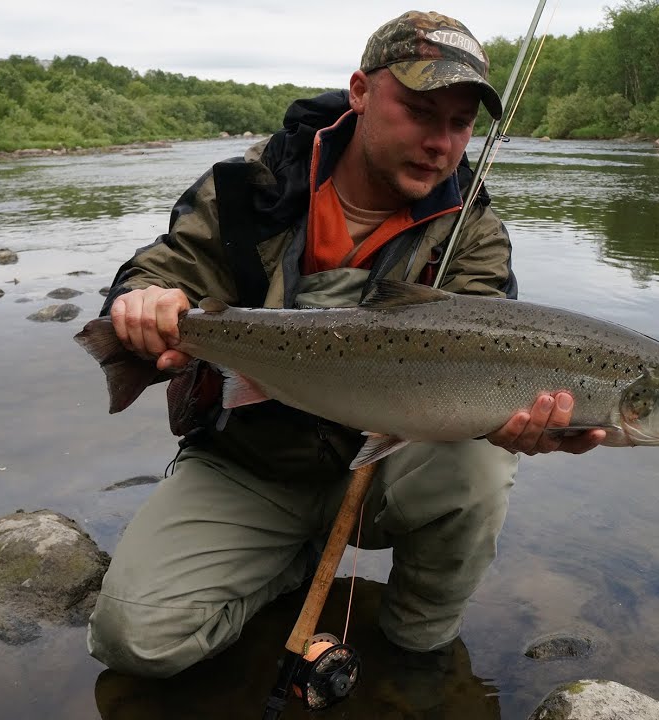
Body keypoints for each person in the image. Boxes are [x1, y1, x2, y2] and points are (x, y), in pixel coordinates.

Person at [86, 9, 604, 679]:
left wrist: (536, 425)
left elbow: (490, 359)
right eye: (420, 111)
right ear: (360, 91)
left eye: (459, 123)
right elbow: (164, 269)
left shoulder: (471, 234)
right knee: (133, 640)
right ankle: (281, 564)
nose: (440, 143)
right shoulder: (249, 189)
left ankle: (418, 653)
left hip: (385, 468)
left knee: (479, 465)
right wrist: (141, 300)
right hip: (249, 464)